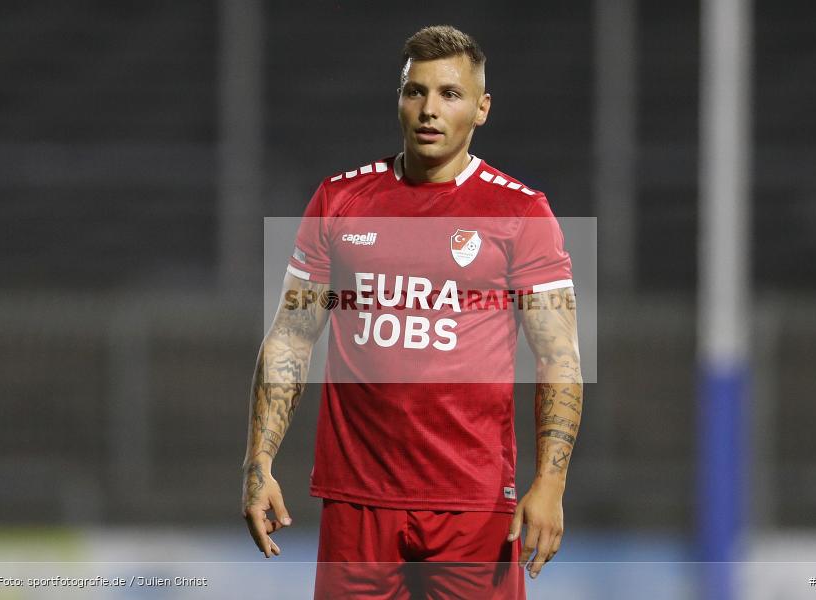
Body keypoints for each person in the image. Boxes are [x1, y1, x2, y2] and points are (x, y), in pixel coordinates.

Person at [241, 25, 583, 599]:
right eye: (415, 92)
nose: (429, 110)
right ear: (398, 100)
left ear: (481, 108)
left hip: (472, 505)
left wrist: (551, 483)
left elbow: (559, 355)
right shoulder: (340, 201)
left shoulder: (521, 212)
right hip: (359, 503)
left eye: (449, 94)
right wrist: (259, 462)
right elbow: (291, 338)